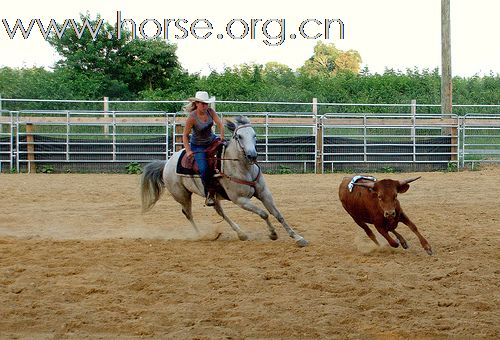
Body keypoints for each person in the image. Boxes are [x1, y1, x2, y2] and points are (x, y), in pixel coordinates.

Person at [182, 91, 224, 206]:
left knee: (226, 151)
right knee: (204, 169)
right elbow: (185, 135)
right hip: (198, 145)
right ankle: (209, 194)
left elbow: (220, 124)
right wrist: (188, 150)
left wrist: (222, 137)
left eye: (206, 104)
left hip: (211, 140)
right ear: (196, 104)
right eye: (202, 104)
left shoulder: (210, 112)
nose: (205, 106)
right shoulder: (192, 117)